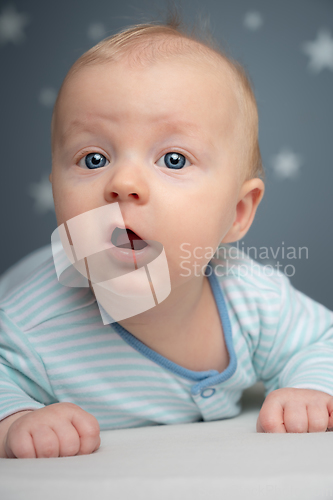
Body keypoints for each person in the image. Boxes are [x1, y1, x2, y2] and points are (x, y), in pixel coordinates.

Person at [1, 15, 333, 460]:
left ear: (237, 213)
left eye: (173, 159)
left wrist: (309, 387)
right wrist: (15, 418)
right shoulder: (30, 327)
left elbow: (320, 341)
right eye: (94, 158)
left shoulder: (252, 298)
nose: (123, 182)